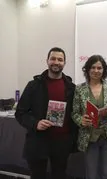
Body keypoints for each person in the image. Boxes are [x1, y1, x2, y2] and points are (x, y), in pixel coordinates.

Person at [15, 47, 78, 179]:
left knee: (59, 175)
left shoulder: (72, 88)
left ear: (64, 63)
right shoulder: (33, 85)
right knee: (37, 175)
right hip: (38, 141)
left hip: (62, 142)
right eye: (53, 58)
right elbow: (20, 113)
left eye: (60, 59)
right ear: (47, 61)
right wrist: (35, 123)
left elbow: (76, 113)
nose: (56, 62)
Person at [72, 54, 107, 179]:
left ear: (104, 70)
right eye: (93, 67)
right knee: (91, 174)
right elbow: (74, 113)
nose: (96, 71)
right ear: (87, 69)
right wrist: (81, 120)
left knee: (106, 173)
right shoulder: (79, 89)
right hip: (89, 138)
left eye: (99, 68)